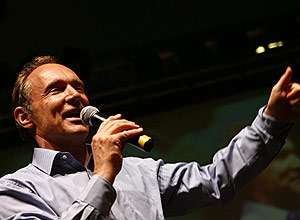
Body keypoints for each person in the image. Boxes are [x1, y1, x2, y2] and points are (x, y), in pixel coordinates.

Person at [0, 55, 300, 220]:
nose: (75, 96)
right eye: (56, 89)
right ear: (24, 117)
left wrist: (273, 121)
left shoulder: (139, 171)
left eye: (78, 87)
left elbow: (217, 179)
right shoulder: (15, 190)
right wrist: (103, 175)